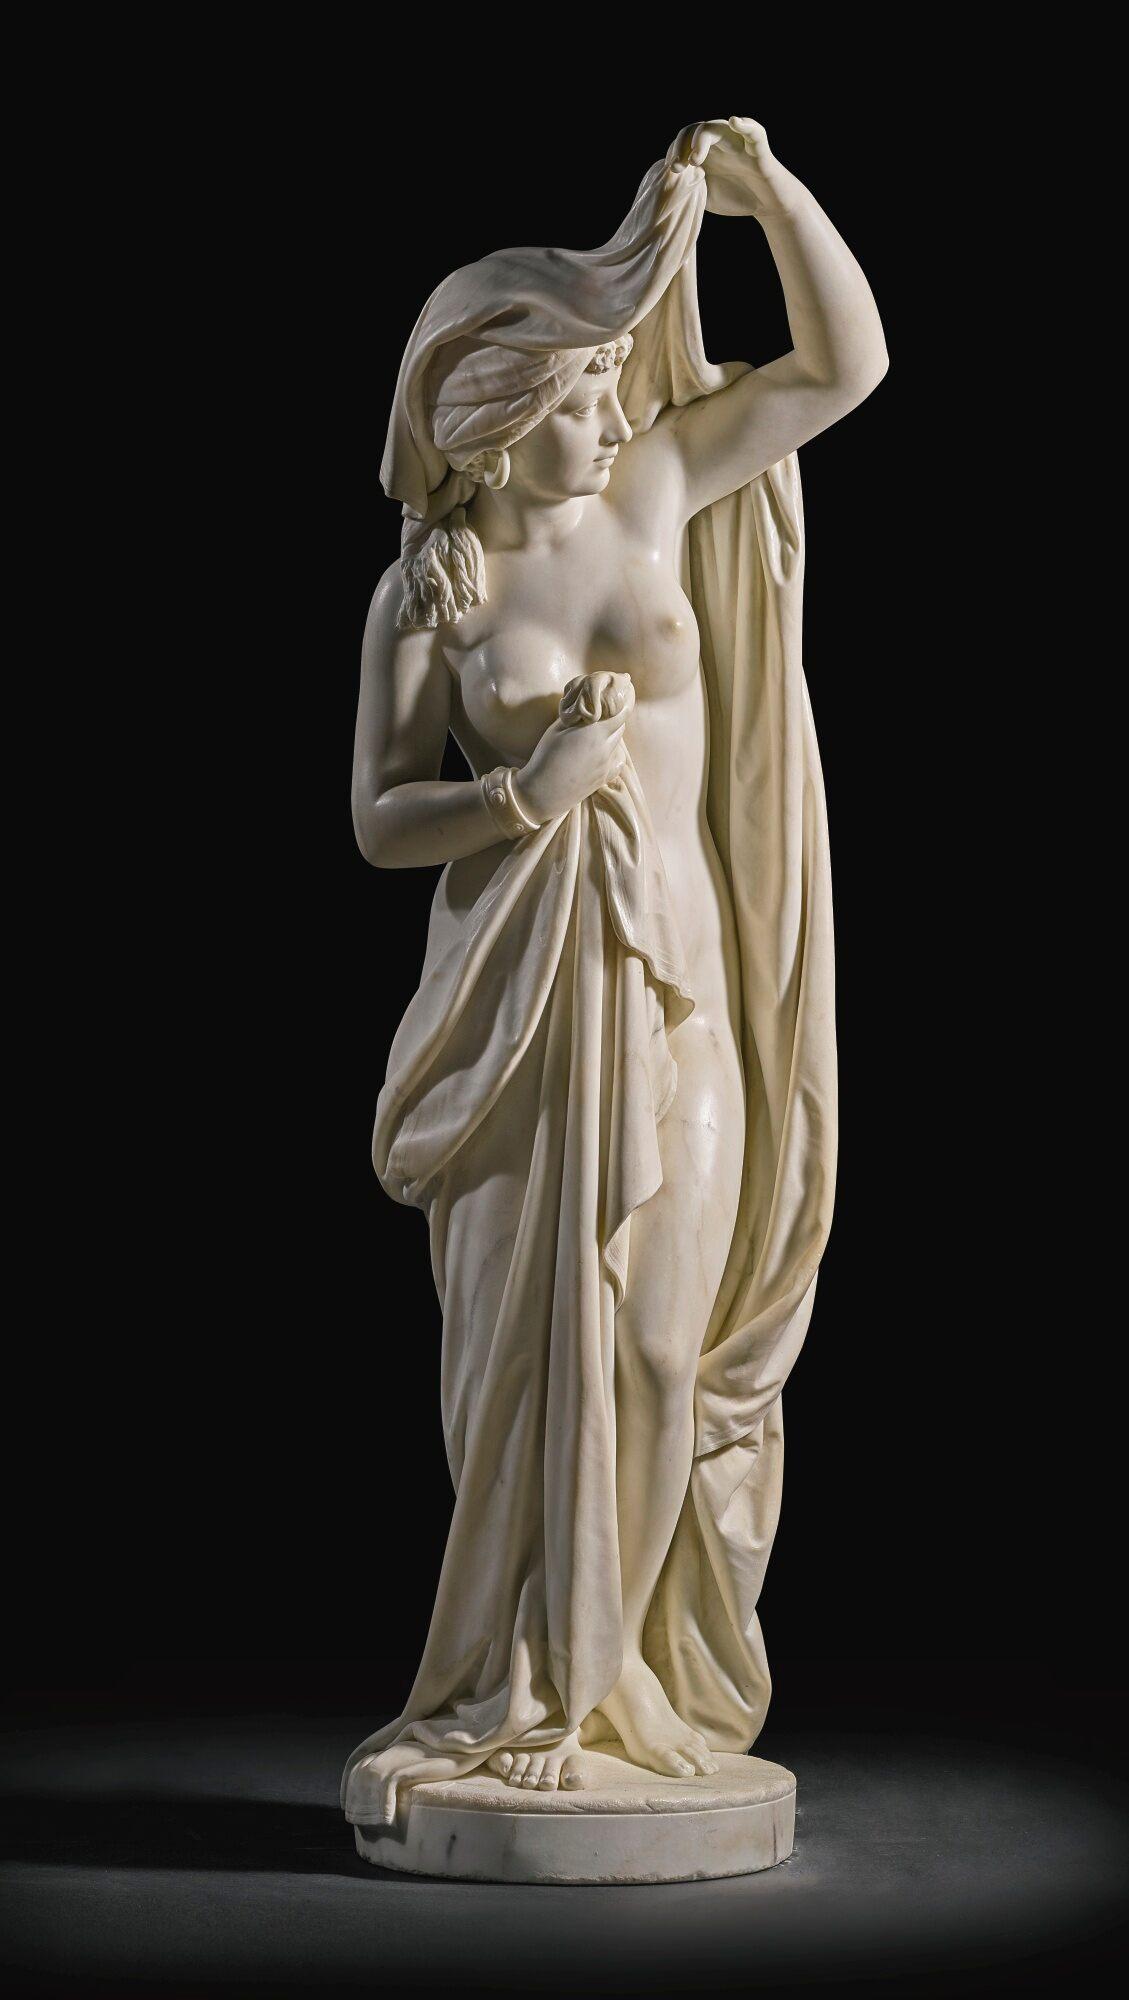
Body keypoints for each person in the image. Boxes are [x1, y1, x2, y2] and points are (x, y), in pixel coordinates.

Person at [342, 117, 888, 1825]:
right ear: (496, 426)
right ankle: (530, 1688)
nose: (612, 411)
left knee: (655, 1349)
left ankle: (607, 1677)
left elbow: (844, 367)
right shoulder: (429, 595)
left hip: (684, 995)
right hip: (517, 1014)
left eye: (603, 387)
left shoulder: (650, 494)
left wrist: (768, 193)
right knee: (528, 1365)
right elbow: (376, 820)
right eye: (577, 396)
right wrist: (524, 791)